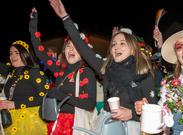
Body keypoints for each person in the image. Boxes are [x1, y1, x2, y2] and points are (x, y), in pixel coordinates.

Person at [47, 0, 158, 134]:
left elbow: (154, 110)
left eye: (122, 43)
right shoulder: (106, 69)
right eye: (114, 44)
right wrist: (65, 18)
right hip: (107, 125)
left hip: (133, 128)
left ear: (133, 49)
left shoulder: (143, 72)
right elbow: (81, 46)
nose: (116, 47)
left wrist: (133, 113)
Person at [29, 8, 97, 135]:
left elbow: (90, 104)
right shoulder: (59, 69)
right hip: (56, 123)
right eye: (68, 46)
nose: (71, 49)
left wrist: (61, 96)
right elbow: (39, 52)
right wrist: (33, 24)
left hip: (75, 126)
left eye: (75, 47)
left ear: (83, 51)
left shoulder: (87, 72)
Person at [0, 40, 50, 135]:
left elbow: (45, 98)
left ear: (25, 54)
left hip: (30, 121)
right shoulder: (11, 74)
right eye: (11, 53)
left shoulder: (35, 73)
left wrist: (15, 104)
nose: (12, 56)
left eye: (16, 53)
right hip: (10, 120)